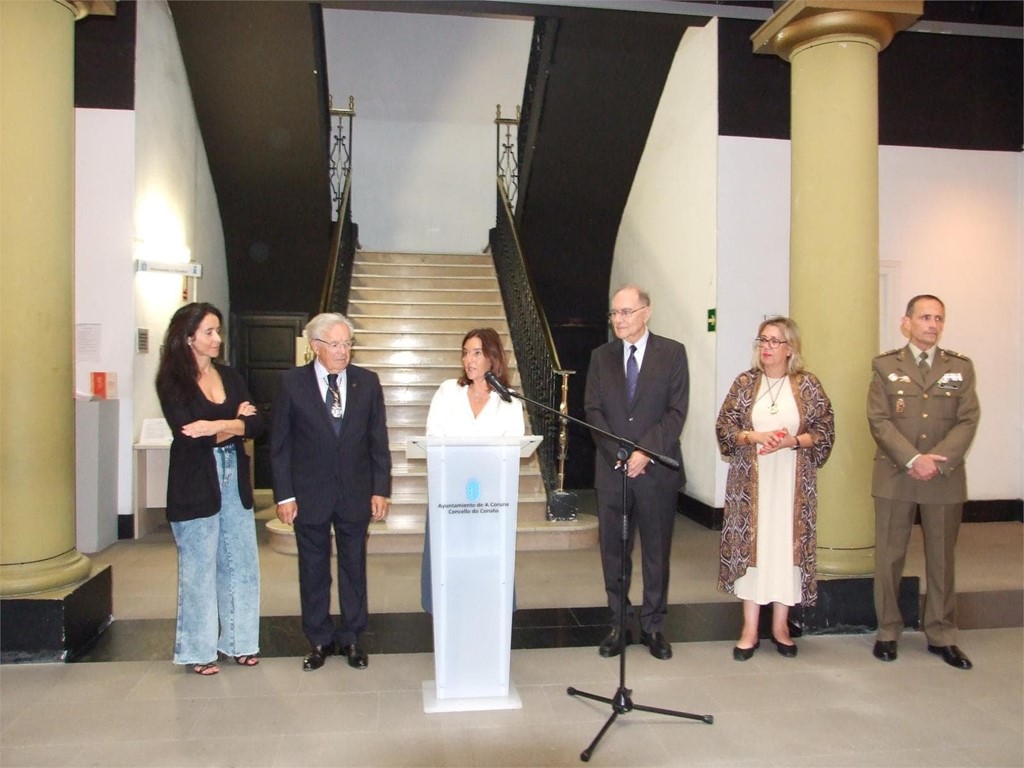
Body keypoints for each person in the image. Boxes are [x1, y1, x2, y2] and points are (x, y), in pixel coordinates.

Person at [271, 312, 392, 671]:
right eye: (336, 344)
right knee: (313, 568)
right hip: (309, 494)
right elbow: (280, 445)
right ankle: (319, 638)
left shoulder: (367, 383)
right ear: (315, 347)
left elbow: (378, 441)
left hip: (355, 492)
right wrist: (284, 495)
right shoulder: (291, 383)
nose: (343, 351)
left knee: (354, 566)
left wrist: (380, 489)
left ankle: (352, 636)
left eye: (347, 343)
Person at [868, 294, 980, 670]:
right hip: (896, 474)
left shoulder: (960, 368)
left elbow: (968, 420)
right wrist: (913, 459)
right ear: (907, 322)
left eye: (939, 319)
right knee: (889, 556)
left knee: (942, 559)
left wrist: (936, 462)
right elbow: (879, 420)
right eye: (926, 317)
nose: (932, 324)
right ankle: (887, 630)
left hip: (943, 477)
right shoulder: (886, 367)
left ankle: (942, 633)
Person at [715, 317, 835, 661]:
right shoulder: (745, 383)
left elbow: (825, 431)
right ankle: (749, 629)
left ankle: (781, 626)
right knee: (753, 548)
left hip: (791, 483)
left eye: (774, 341)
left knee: (784, 549)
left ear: (790, 349)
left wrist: (793, 441)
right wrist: (754, 436)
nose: (766, 348)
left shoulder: (807, 385)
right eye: (762, 341)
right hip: (750, 484)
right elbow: (725, 426)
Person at [155, 302, 265, 676]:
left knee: (241, 562)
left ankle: (240, 642)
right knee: (199, 567)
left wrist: (219, 426)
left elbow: (256, 425)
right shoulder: (172, 381)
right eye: (209, 332)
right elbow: (188, 433)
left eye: (218, 331)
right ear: (188, 338)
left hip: (234, 474)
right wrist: (235, 422)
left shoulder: (231, 377)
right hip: (195, 479)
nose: (218, 338)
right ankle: (198, 651)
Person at [584, 285, 688, 660]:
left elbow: (676, 412)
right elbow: (592, 411)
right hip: (612, 472)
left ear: (647, 312)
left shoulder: (673, 354)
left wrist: (645, 451)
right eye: (614, 313)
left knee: (657, 552)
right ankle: (618, 622)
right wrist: (620, 452)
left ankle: (654, 625)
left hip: (656, 470)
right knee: (614, 552)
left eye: (626, 312)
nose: (618, 320)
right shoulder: (601, 357)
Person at [420, 328, 526, 612]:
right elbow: (434, 435)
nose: (469, 359)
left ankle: (488, 614)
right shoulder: (448, 391)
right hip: (450, 492)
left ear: (492, 358)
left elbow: (513, 445)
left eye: (477, 353)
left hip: (490, 497)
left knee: (486, 562)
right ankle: (449, 615)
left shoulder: (509, 400)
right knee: (450, 561)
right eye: (465, 353)